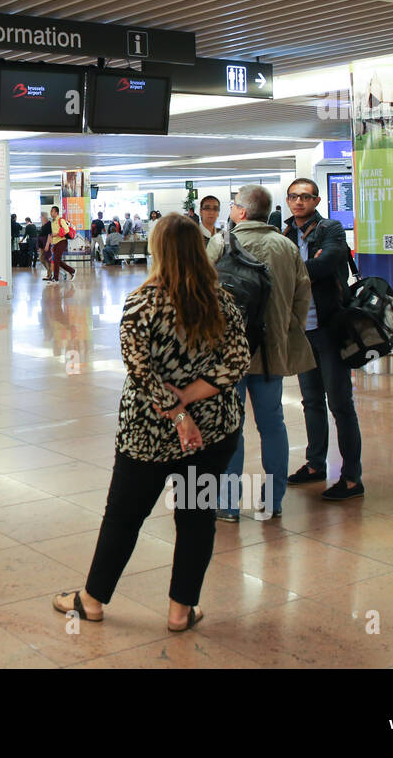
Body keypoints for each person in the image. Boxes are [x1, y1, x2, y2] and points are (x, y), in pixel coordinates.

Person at [52, 213, 250, 629]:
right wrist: (192, 401)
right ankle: (181, 611)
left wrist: (177, 411)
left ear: (158, 250)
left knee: (124, 516)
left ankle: (92, 600)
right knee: (197, 517)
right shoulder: (222, 299)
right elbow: (237, 361)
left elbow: (139, 370)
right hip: (214, 431)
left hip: (147, 433)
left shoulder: (142, 303)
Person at [206, 185, 314, 521]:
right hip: (270, 352)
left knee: (229, 425)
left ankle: (227, 503)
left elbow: (203, 291)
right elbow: (302, 296)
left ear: (241, 211)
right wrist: (283, 329)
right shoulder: (286, 246)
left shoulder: (221, 243)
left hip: (227, 354)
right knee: (272, 424)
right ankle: (273, 500)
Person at [283, 178, 365, 501]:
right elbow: (290, 268)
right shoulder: (286, 232)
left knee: (341, 404)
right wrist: (306, 266)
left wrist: (295, 268)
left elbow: (328, 262)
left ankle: (352, 477)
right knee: (311, 401)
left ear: (317, 200)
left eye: (305, 197)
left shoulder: (331, 229)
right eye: (293, 196)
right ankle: (315, 463)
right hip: (302, 332)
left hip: (330, 329)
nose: (299, 202)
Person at [46, 205, 75, 282]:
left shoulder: (61, 220)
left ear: (56, 212)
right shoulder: (53, 222)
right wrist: (52, 244)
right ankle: (72, 271)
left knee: (56, 260)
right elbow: (52, 234)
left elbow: (66, 230)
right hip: (56, 243)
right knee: (56, 260)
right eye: (51, 211)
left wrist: (56, 234)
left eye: (52, 211)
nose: (51, 213)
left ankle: (56, 279)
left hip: (62, 242)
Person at [37, 212, 53, 277]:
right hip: (42, 243)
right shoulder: (43, 224)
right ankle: (49, 272)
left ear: (43, 216)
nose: (40, 218)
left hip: (46, 243)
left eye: (41, 216)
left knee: (47, 258)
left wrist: (47, 244)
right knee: (42, 258)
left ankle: (49, 273)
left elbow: (49, 234)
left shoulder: (49, 224)